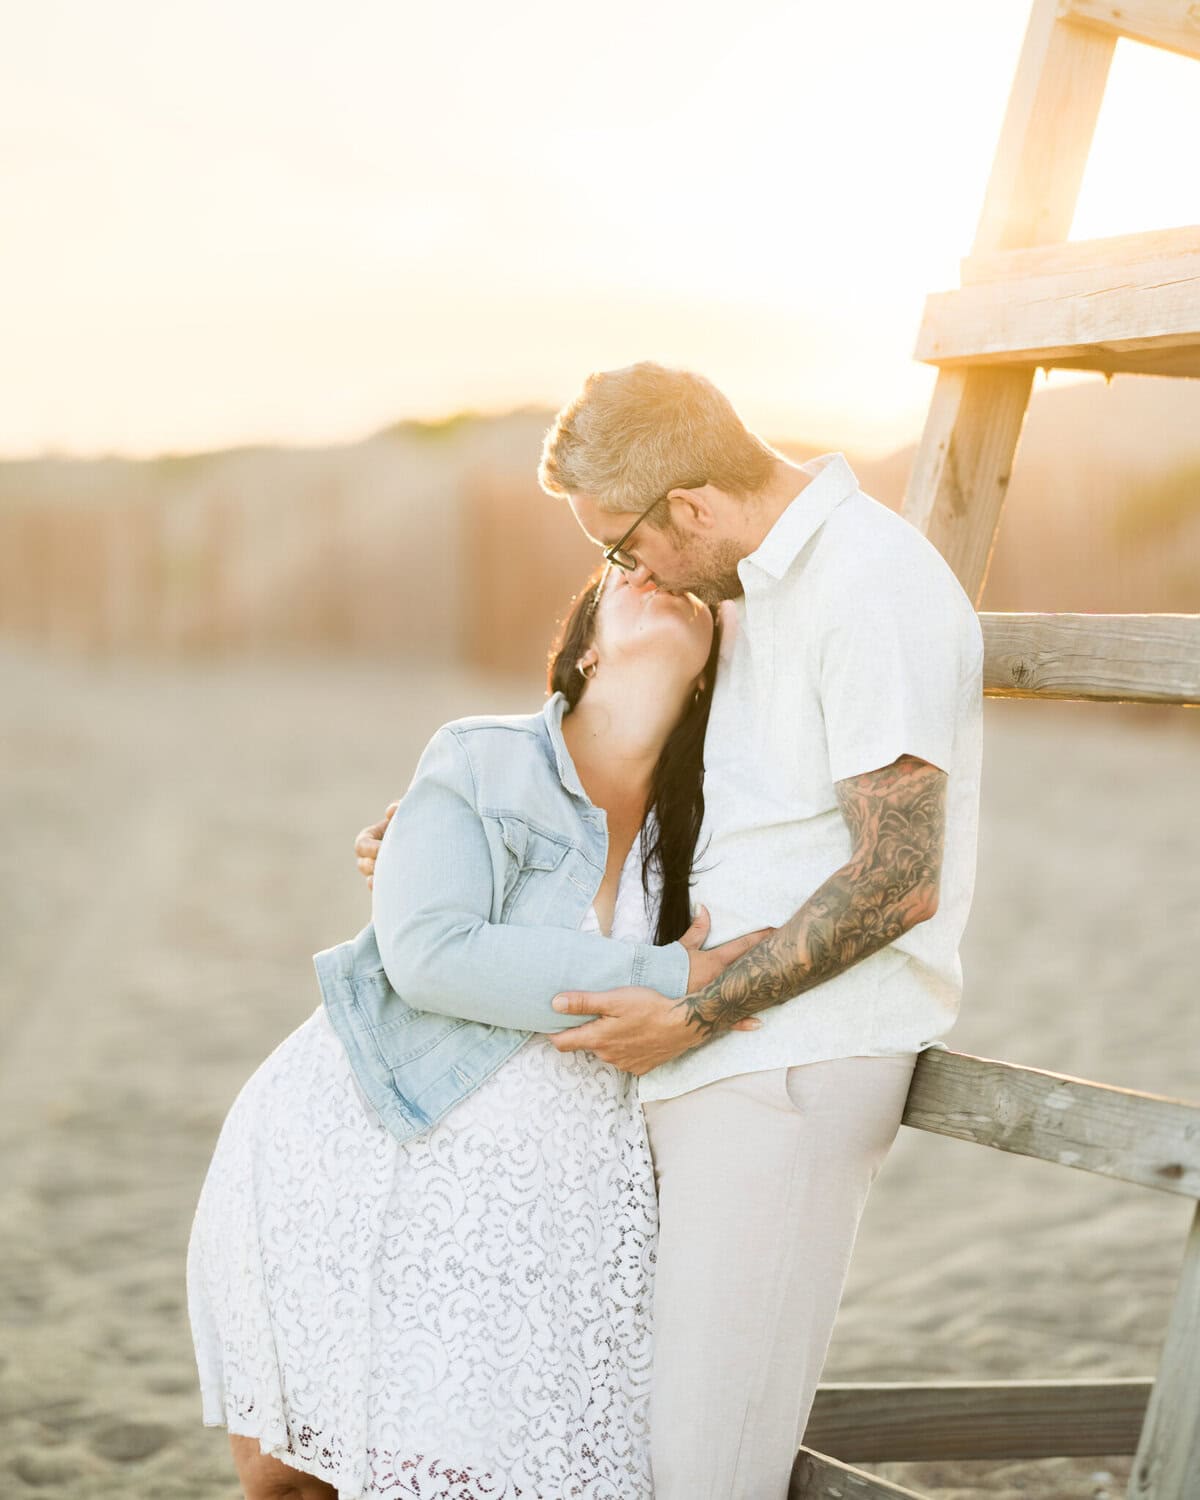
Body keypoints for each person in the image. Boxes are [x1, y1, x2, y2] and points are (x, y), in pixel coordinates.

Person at [355, 361, 985, 1499]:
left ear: (688, 506)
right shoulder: (744, 593)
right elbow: (645, 773)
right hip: (701, 1049)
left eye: (619, 543)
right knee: (629, 1440)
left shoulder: (867, 585)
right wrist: (453, 831)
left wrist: (694, 1010)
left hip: (784, 1063)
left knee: (708, 1460)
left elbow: (900, 875)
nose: (622, 570)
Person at [186, 562, 769, 1500]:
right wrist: (665, 974)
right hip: (362, 1142)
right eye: (627, 568)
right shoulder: (481, 757)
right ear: (583, 647)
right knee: (292, 1477)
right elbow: (430, 956)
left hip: (545, 1215)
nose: (658, 575)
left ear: (714, 664)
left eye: (689, 588)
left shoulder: (718, 820)